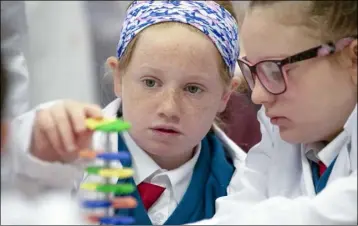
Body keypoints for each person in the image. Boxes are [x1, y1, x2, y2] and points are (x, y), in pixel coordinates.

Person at [7, 1, 246, 225]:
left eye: (193, 89)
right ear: (119, 77)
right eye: (150, 82)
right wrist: (35, 139)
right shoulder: (71, 154)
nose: (169, 109)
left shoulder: (243, 186)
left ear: (225, 95)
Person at [192, 1, 357, 224]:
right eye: (253, 71)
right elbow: (235, 214)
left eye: (275, 70)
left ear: (353, 59)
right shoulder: (278, 136)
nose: (257, 96)